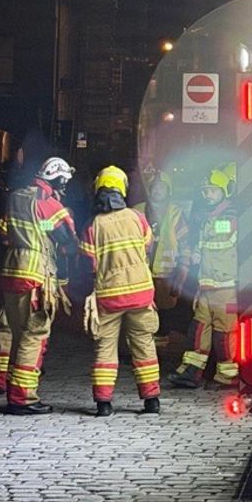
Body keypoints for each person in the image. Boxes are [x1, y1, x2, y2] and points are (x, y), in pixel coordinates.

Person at [0, 156, 78, 415]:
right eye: (65, 181)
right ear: (58, 178)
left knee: (16, 331)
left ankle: (11, 388)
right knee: (34, 333)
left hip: (12, 269)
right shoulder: (49, 204)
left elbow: (4, 232)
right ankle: (22, 398)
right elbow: (68, 241)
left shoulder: (17, 197)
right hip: (36, 273)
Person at [79, 166, 161, 417]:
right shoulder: (137, 217)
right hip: (141, 294)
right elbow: (148, 247)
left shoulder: (93, 225)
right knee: (144, 346)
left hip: (109, 297)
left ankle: (103, 404)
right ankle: (152, 401)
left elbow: (88, 263)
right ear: (122, 190)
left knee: (105, 348)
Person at [169, 165, 238, 389]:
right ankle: (191, 372)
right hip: (206, 285)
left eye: (213, 191)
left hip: (225, 287)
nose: (207, 195)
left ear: (225, 192)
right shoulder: (207, 218)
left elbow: (220, 232)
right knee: (198, 330)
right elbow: (202, 245)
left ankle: (227, 376)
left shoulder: (228, 218)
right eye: (205, 191)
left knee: (224, 334)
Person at [135, 168, 189, 341]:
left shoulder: (175, 213)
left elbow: (185, 242)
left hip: (166, 272)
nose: (157, 190)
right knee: (141, 309)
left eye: (162, 187)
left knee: (165, 308)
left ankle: (161, 338)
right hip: (140, 272)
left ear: (168, 190)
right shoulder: (137, 211)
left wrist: (183, 270)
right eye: (154, 186)